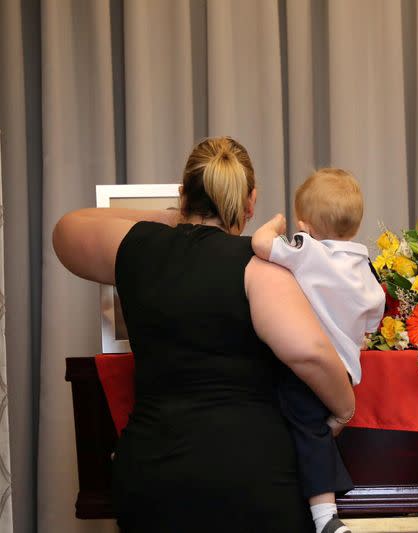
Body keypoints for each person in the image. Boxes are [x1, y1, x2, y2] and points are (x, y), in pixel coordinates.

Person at [52, 137, 355, 532]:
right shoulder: (259, 266)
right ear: (251, 202)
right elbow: (310, 353)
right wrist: (345, 406)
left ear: (184, 194)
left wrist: (172, 216)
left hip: (152, 474)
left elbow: (67, 229)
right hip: (250, 476)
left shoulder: (136, 248)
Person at [251, 168, 385, 533]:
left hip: (308, 370)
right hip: (343, 375)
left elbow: (261, 245)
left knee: (306, 433)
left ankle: (325, 517)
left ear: (306, 225)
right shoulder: (365, 269)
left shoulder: (308, 252)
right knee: (315, 429)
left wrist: (276, 225)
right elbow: (374, 318)